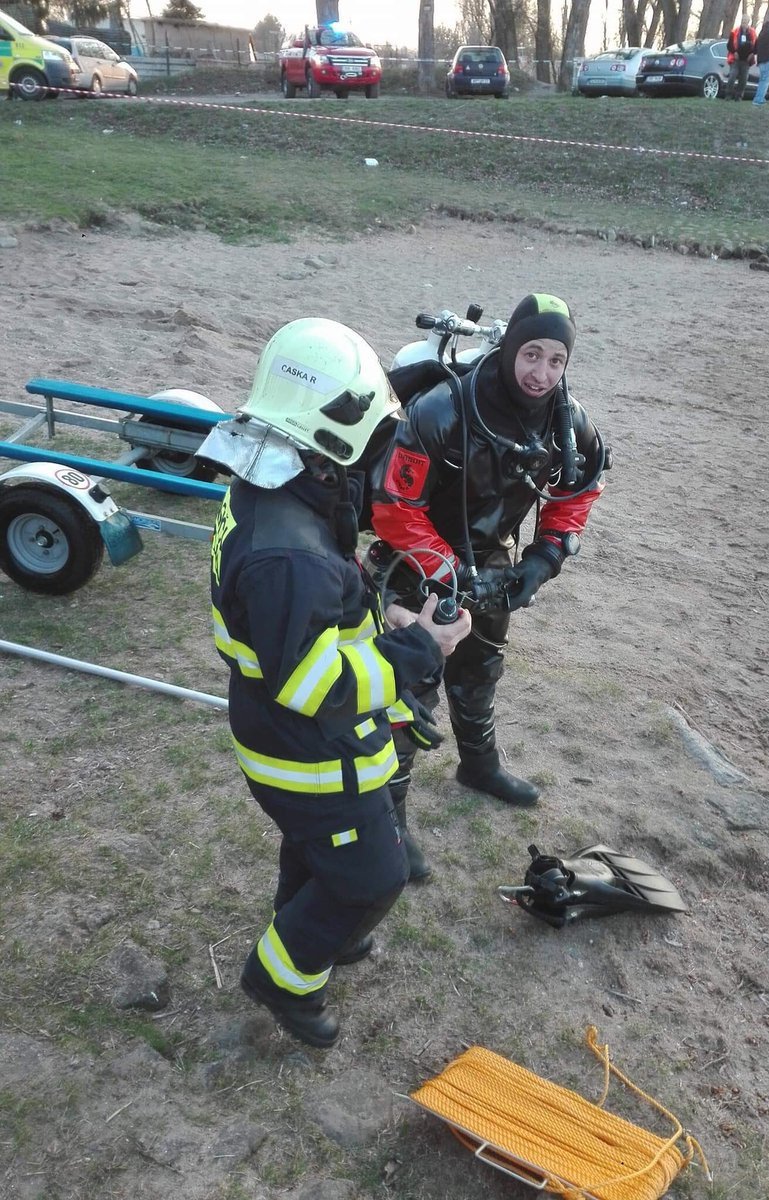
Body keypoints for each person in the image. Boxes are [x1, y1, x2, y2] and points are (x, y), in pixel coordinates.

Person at [197, 318, 471, 1048]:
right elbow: (313, 682)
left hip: (283, 729)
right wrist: (419, 649)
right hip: (306, 746)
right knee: (372, 876)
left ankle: (319, 932)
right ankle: (284, 978)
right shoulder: (289, 556)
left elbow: (308, 624)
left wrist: (387, 619)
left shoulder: (272, 480)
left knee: (318, 847)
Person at [367, 294, 606, 878]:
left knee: (480, 667)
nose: (541, 372)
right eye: (531, 353)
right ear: (507, 348)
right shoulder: (443, 411)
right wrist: (451, 575)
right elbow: (394, 507)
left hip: (491, 560)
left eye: (556, 359)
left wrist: (544, 557)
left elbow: (580, 488)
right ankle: (388, 819)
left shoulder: (566, 421)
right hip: (413, 561)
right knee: (409, 688)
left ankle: (478, 763)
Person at [726, 14, 757, 100]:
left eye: (746, 21)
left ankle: (739, 96)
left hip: (746, 60)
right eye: (743, 20)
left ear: (748, 22)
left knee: (743, 79)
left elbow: (756, 46)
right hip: (736, 59)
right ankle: (728, 95)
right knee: (732, 76)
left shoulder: (753, 33)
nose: (744, 22)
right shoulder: (734, 31)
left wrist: (752, 54)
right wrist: (734, 52)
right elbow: (729, 45)